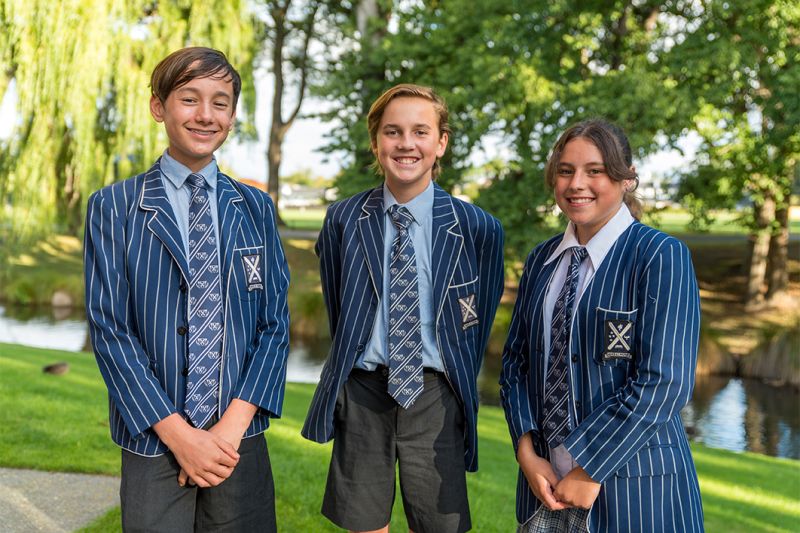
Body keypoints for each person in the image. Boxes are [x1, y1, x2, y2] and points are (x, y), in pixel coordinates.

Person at [84, 47, 289, 532]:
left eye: (220, 103)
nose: (205, 115)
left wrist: (230, 429)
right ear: (159, 107)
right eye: (189, 99)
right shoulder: (115, 206)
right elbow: (111, 330)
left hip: (238, 438)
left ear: (232, 116)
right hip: (154, 437)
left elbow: (275, 324)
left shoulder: (255, 207)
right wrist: (179, 436)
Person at [302, 83, 504, 533]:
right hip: (364, 392)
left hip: (435, 396)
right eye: (393, 132)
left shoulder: (477, 227)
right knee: (364, 522)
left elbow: (478, 319)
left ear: (441, 142)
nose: (406, 143)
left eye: (420, 131)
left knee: (438, 524)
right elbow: (340, 306)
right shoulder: (344, 219)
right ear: (376, 142)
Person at [499, 119, 704, 532]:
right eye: (565, 170)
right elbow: (515, 364)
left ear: (627, 178)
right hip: (544, 487)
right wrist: (526, 452)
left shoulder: (659, 256)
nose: (577, 184)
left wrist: (589, 467)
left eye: (595, 171)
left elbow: (665, 381)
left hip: (634, 493)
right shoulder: (541, 260)